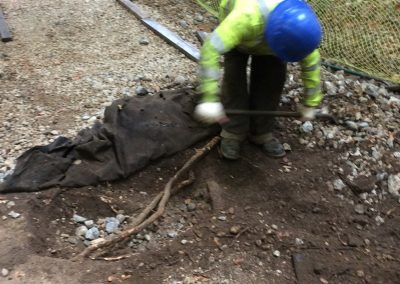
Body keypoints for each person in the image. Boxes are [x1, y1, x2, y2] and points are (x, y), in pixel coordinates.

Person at [194, 0, 323, 160]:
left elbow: (311, 67)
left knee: (272, 81)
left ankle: (262, 131)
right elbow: (210, 49)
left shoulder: (301, 32)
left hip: (272, 39)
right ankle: (233, 132)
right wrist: (209, 99)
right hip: (240, 33)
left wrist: (310, 103)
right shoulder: (244, 19)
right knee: (234, 79)